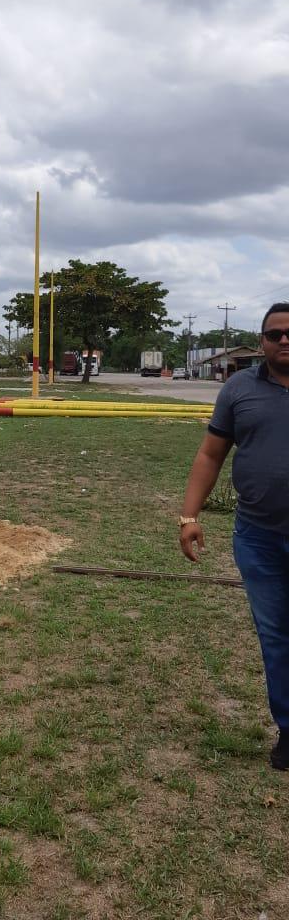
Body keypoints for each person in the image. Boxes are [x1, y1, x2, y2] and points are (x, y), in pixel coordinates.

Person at [179, 302, 289, 771]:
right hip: (259, 538)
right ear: (261, 341)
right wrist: (189, 516)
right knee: (277, 637)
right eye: (274, 334)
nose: (284, 340)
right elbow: (210, 455)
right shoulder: (239, 388)